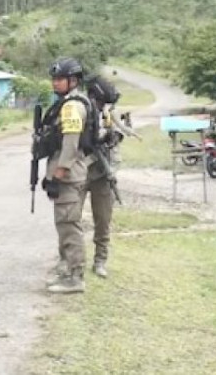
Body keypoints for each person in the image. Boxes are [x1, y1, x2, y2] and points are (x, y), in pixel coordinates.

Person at [40, 57, 94, 294]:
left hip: (68, 176)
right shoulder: (69, 103)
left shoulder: (72, 107)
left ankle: (75, 277)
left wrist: (58, 175)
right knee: (64, 224)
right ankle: (67, 270)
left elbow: (71, 145)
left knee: (69, 226)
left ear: (72, 81)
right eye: (54, 78)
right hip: (69, 174)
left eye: (59, 79)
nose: (55, 83)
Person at [84, 77, 141, 278]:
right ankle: (70, 260)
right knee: (71, 219)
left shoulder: (108, 113)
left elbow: (118, 134)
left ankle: (100, 260)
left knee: (103, 220)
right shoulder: (79, 110)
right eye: (100, 102)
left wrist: (112, 137)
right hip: (80, 171)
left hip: (102, 171)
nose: (101, 106)